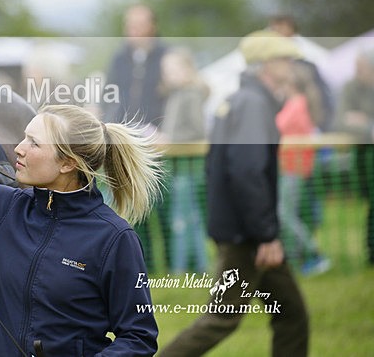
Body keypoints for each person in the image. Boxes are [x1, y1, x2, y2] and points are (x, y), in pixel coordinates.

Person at [0, 103, 163, 356]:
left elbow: (138, 336)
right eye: (24, 137)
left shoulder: (115, 238)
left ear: (67, 163)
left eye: (34, 143)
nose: (19, 149)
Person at [159, 30, 309, 356]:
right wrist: (266, 235)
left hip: (244, 231)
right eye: (285, 58)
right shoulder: (253, 104)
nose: (291, 64)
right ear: (266, 65)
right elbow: (246, 172)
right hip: (247, 237)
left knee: (292, 313)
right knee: (221, 319)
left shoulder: (239, 100)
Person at [101, 3, 169, 272]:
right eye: (130, 26)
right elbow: (111, 95)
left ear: (152, 26)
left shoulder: (167, 56)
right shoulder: (118, 59)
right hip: (125, 142)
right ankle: (142, 264)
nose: (134, 31)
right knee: (130, 207)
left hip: (159, 144)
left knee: (162, 208)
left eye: (140, 25)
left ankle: (176, 269)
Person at [157, 47, 210, 274]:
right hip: (178, 166)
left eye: (172, 70)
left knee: (185, 218)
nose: (167, 75)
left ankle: (185, 269)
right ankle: (197, 265)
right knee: (184, 216)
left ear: (187, 69)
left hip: (190, 166)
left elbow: (198, 130)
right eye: (165, 70)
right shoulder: (177, 94)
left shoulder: (192, 94)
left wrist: (170, 139)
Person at [276, 62, 331, 275]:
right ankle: (297, 258)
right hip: (291, 166)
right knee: (287, 212)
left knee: (285, 213)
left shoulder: (297, 104)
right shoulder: (297, 102)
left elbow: (279, 128)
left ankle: (314, 253)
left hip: (294, 167)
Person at [334, 49, 374, 265]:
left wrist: (364, 121)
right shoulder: (351, 88)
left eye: (362, 68)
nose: (357, 72)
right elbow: (341, 120)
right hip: (364, 154)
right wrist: (370, 128)